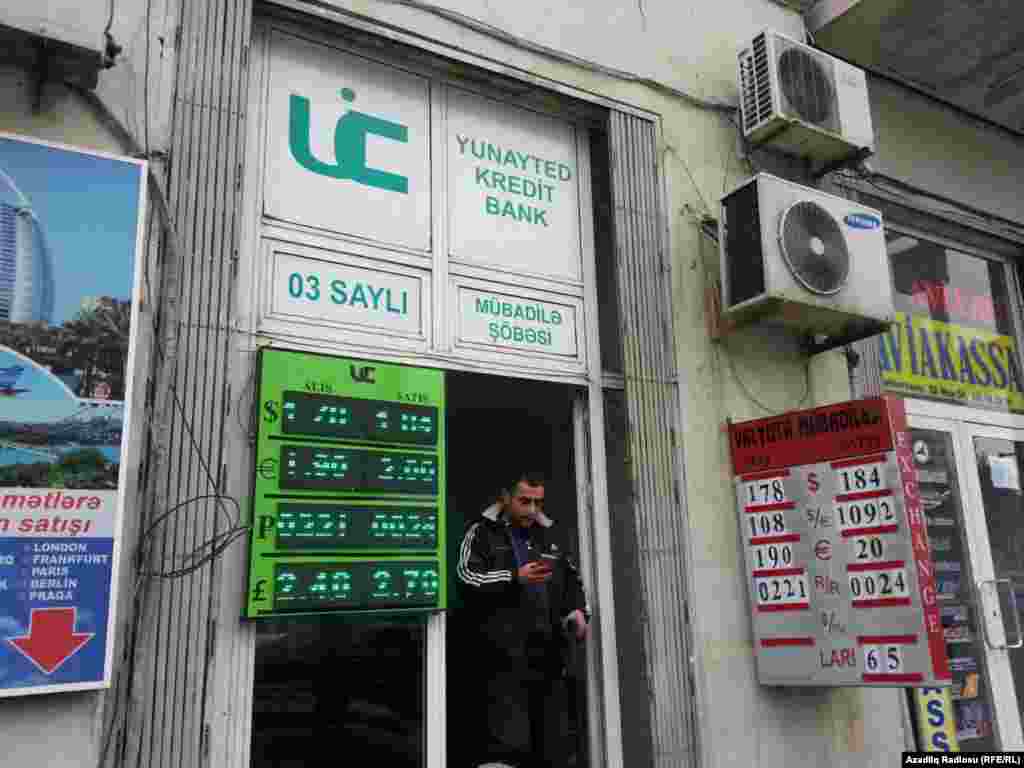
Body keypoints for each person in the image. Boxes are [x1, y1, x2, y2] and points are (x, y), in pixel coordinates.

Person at [456, 470, 590, 768]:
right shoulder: (481, 532)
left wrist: (578, 612)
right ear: (505, 498)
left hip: (547, 660)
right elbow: (466, 577)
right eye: (525, 501)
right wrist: (514, 577)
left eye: (538, 502)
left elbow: (573, 582)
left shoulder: (550, 535)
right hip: (500, 662)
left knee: (552, 750)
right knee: (504, 752)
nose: (532, 510)